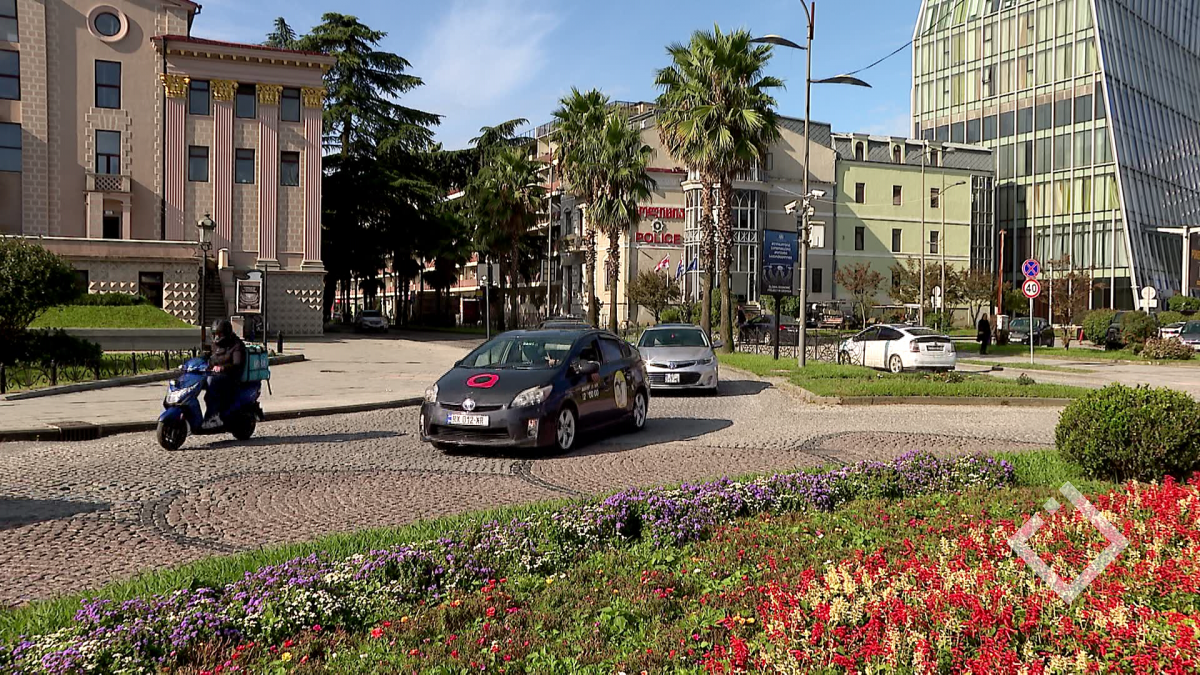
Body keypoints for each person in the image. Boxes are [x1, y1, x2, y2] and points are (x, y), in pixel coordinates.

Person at [205, 319, 246, 428]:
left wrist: (222, 368)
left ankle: (214, 416)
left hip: (231, 376)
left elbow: (237, 364)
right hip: (215, 374)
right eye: (215, 334)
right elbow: (209, 357)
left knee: (211, 383)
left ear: (225, 334)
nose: (216, 337)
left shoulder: (237, 345)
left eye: (219, 334)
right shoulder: (215, 345)